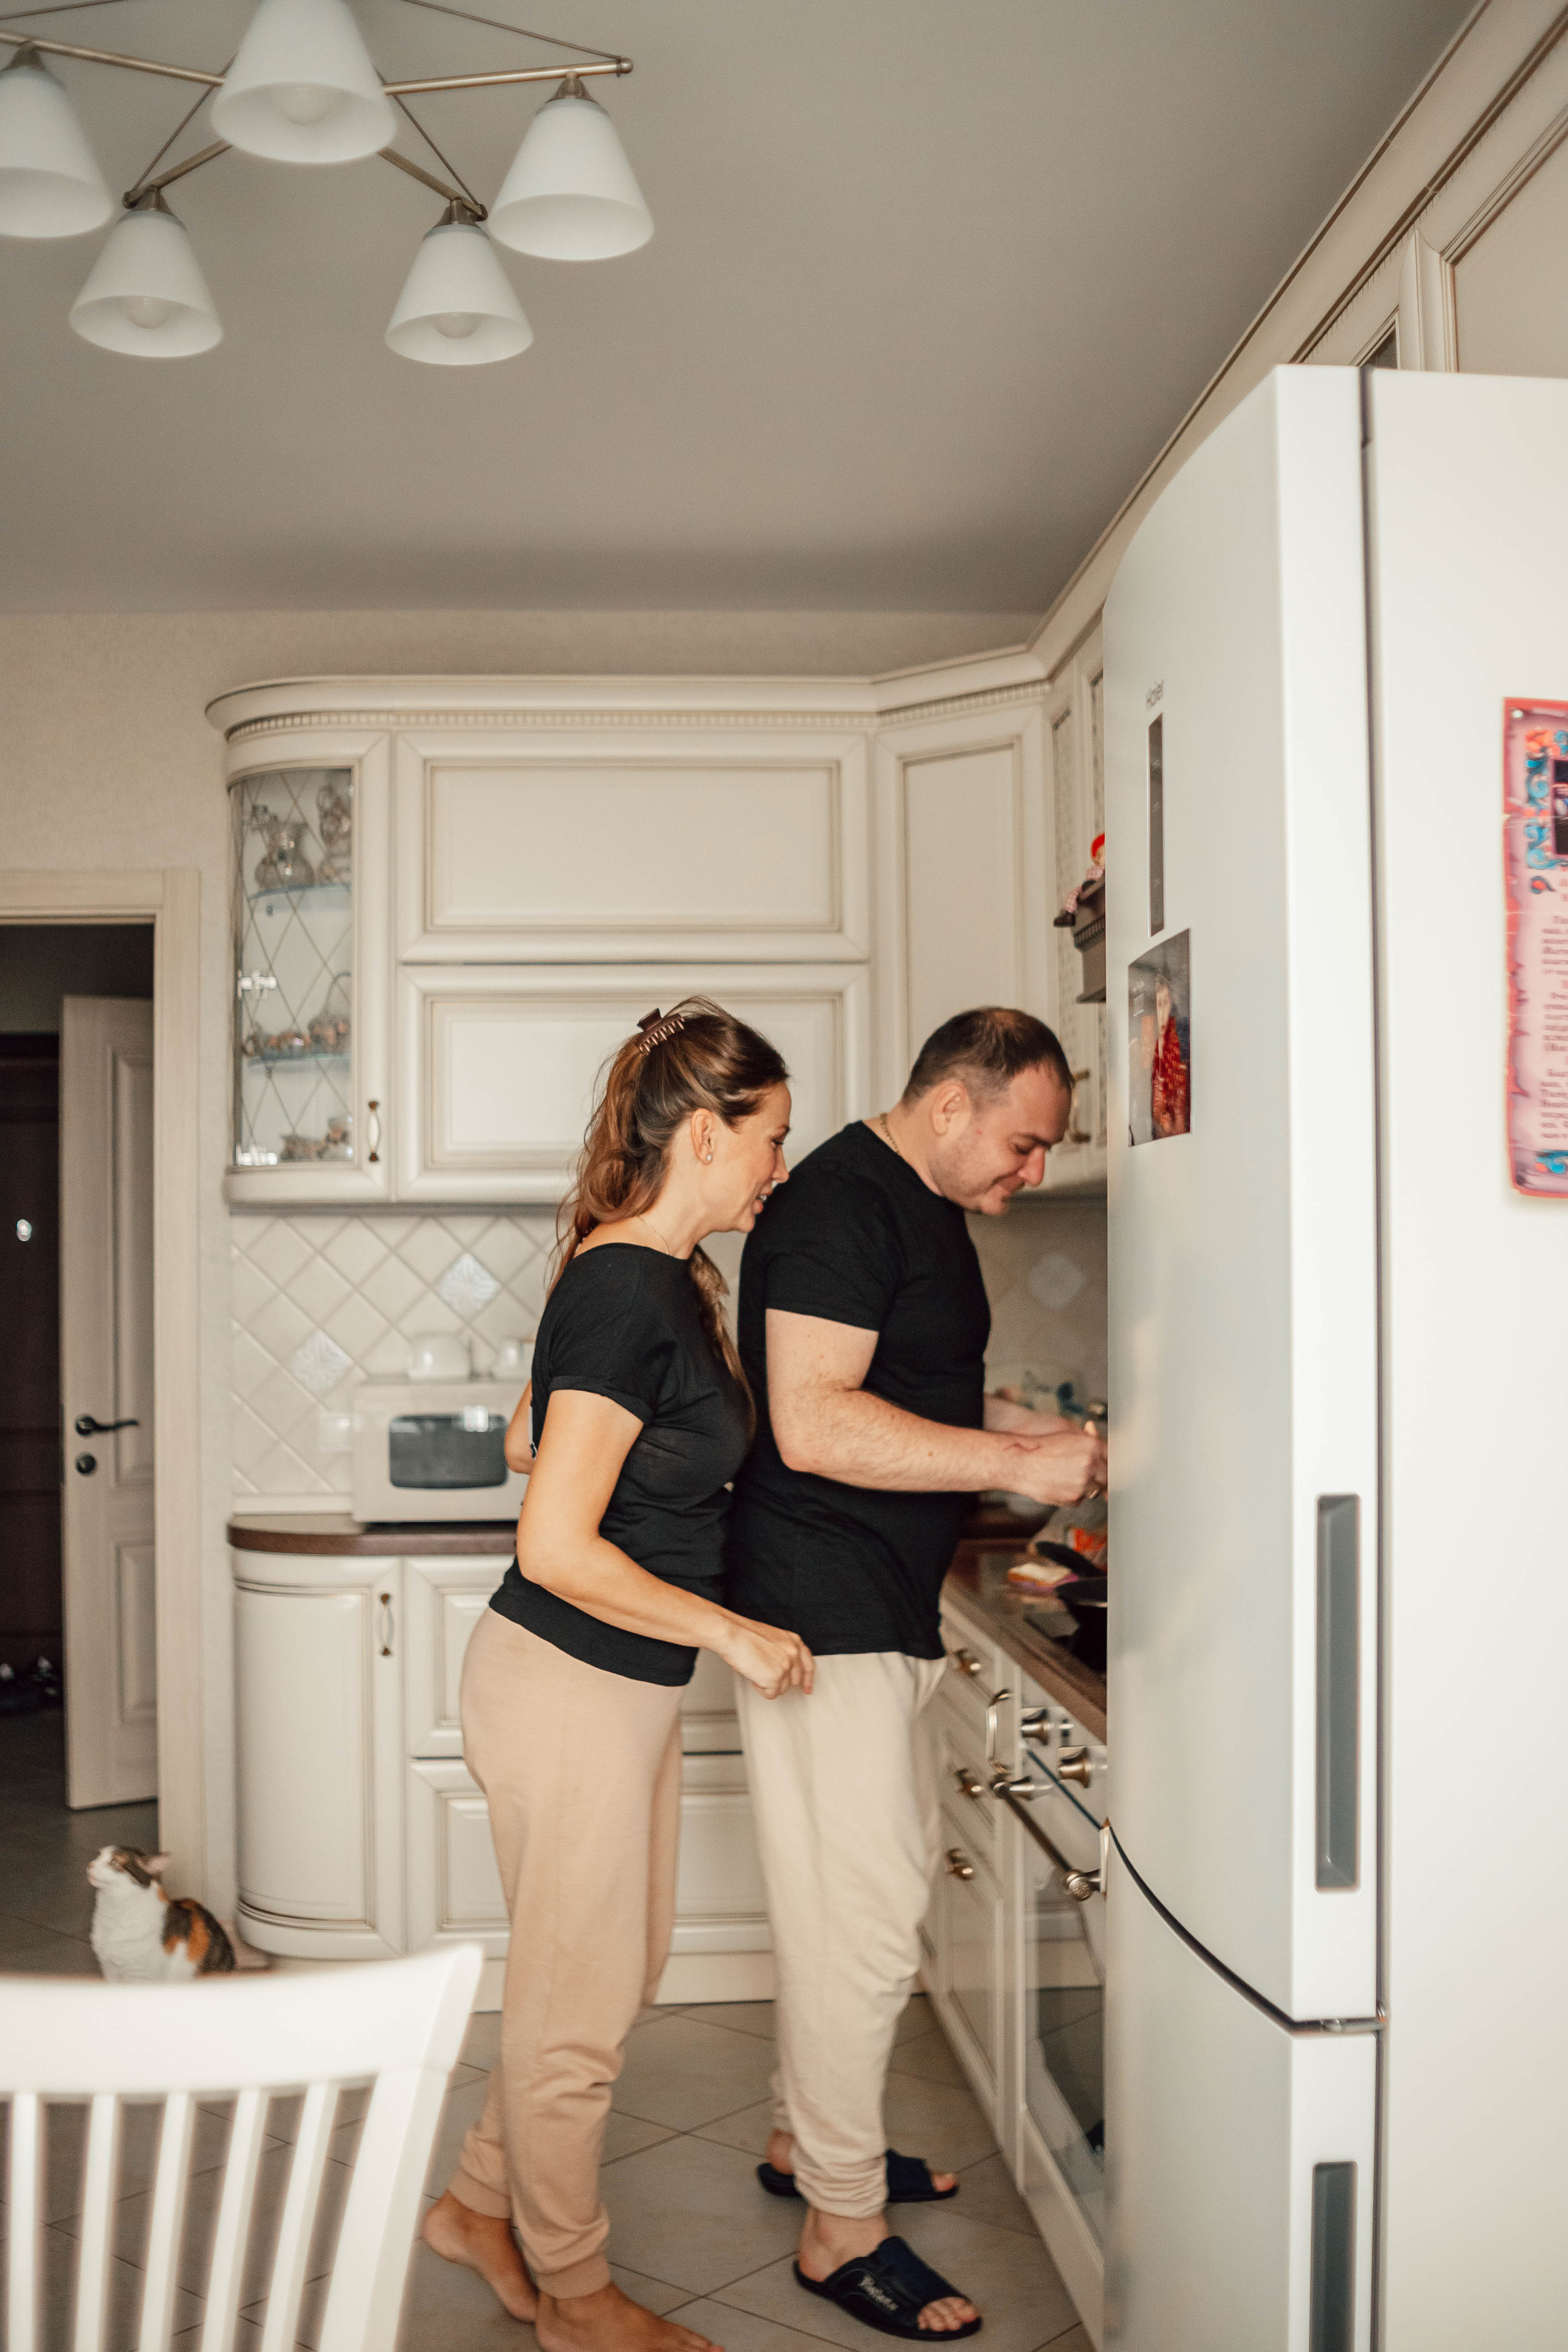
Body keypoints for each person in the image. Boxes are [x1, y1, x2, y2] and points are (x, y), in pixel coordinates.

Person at [422, 999, 811, 2352]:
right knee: (576, 2015)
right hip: (567, 1684)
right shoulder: (625, 1283)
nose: (777, 1166)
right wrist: (731, 1631)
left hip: (612, 1683)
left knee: (602, 1976)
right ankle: (578, 2298)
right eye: (769, 1137)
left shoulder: (648, 1276)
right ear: (703, 1133)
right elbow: (553, 1541)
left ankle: (476, 2208)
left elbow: (531, 1439)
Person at [726, 1006, 1109, 2343]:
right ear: (952, 1104)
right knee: (870, 1917)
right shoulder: (839, 1208)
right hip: (816, 1609)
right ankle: (838, 2227)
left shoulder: (923, 1205)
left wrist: (1018, 1426)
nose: (1032, 1171)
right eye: (1022, 1143)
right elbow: (812, 1421)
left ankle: (805, 2141)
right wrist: (1014, 1465)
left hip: (868, 1600)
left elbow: (903, 1386)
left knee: (840, 1904)